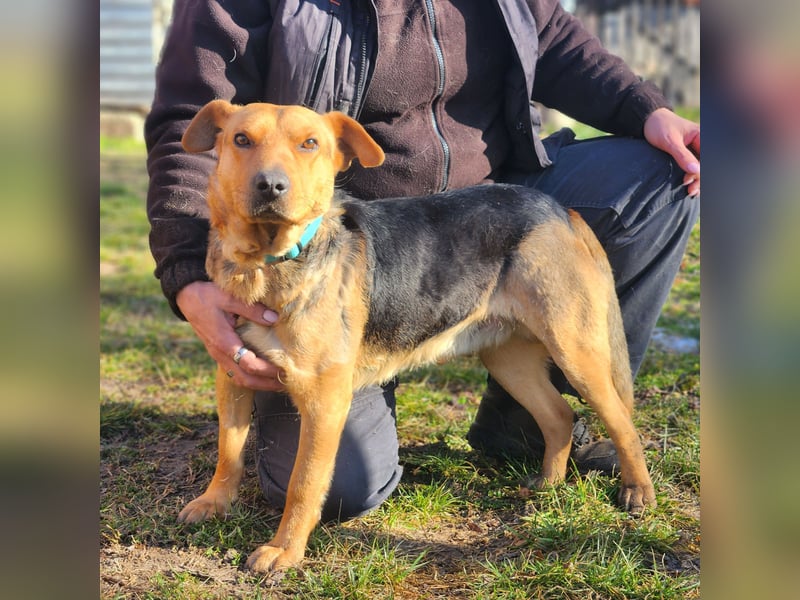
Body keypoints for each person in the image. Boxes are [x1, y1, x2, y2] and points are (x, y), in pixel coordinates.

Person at [145, 0, 700, 521]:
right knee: (343, 489)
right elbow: (184, 117)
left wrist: (647, 110)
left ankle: (544, 429)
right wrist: (187, 274)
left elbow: (555, 42)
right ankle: (528, 415)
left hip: (495, 203)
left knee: (661, 176)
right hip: (352, 234)